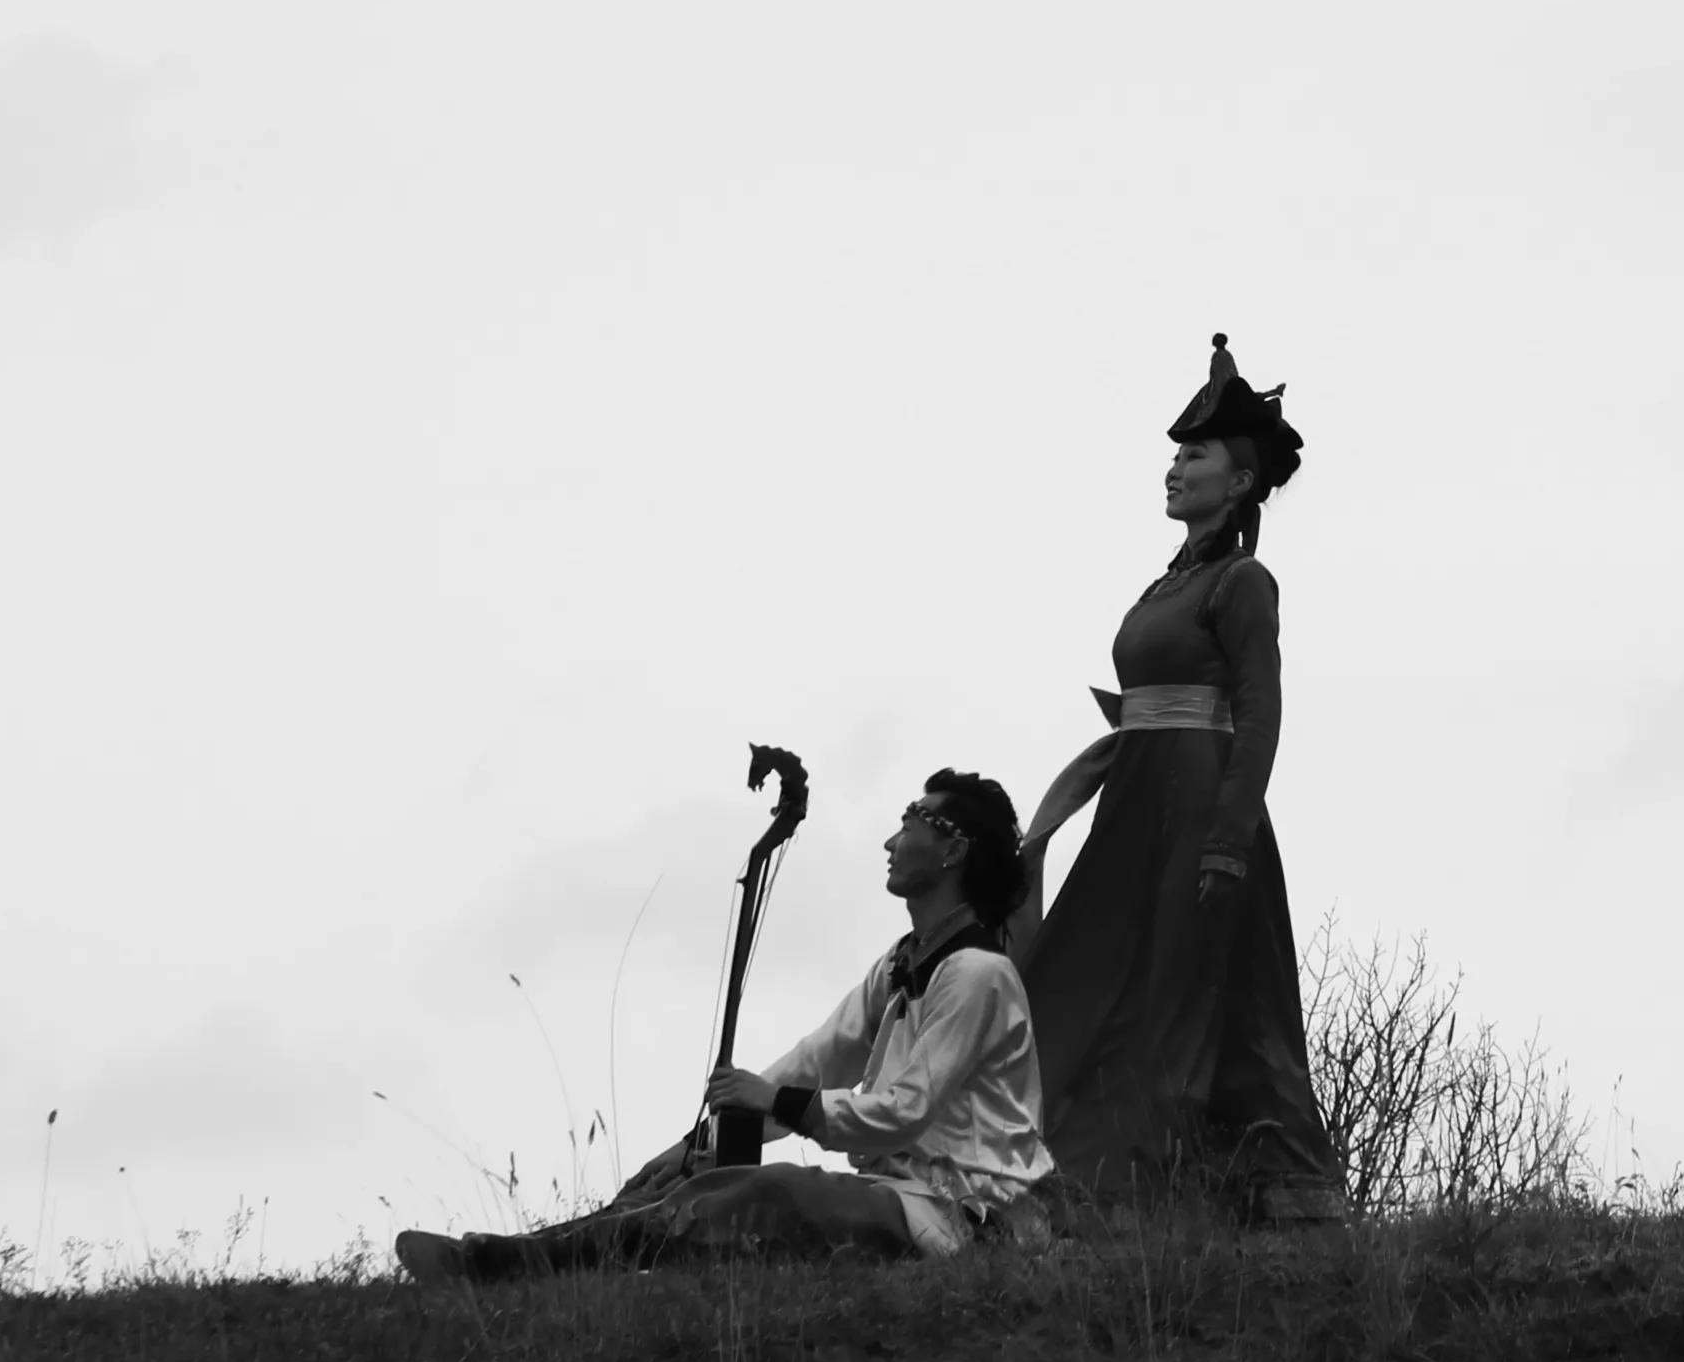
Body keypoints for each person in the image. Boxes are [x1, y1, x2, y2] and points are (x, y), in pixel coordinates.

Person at [396, 772, 1056, 1279]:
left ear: (954, 849)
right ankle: (508, 1259)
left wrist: (772, 1104)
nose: (891, 839)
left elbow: (900, 1112)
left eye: (913, 818)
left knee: (769, 1189)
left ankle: (517, 1265)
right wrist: (700, 1142)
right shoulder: (899, 964)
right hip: (901, 1197)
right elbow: (818, 1058)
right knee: (692, 1179)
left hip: (968, 1218)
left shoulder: (977, 975)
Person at [1017, 333, 1351, 1221]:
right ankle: (1062, 1168)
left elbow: (1261, 711)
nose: (1174, 466)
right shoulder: (1169, 583)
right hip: (1135, 804)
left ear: (1237, 481)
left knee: (1182, 996)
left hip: (1200, 811)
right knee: (1083, 974)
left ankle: (1159, 1185)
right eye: (1174, 451)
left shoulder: (1244, 581)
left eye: (1193, 453)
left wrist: (1228, 835)